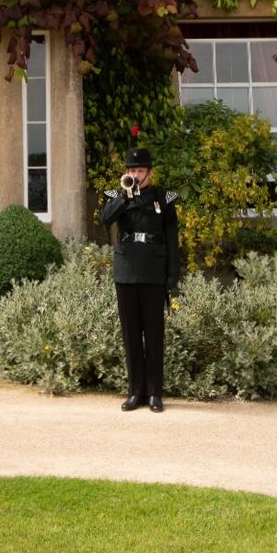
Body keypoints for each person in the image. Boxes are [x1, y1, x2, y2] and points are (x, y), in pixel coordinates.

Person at [98, 137, 180, 413]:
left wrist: (172, 277)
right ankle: (135, 392)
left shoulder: (164, 199)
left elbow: (172, 238)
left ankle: (155, 393)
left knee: (154, 335)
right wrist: (125, 196)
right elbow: (105, 219)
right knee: (131, 335)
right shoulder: (117, 196)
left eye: (140, 171)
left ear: (149, 173)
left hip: (154, 272)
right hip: (127, 273)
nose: (135, 175)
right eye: (131, 171)